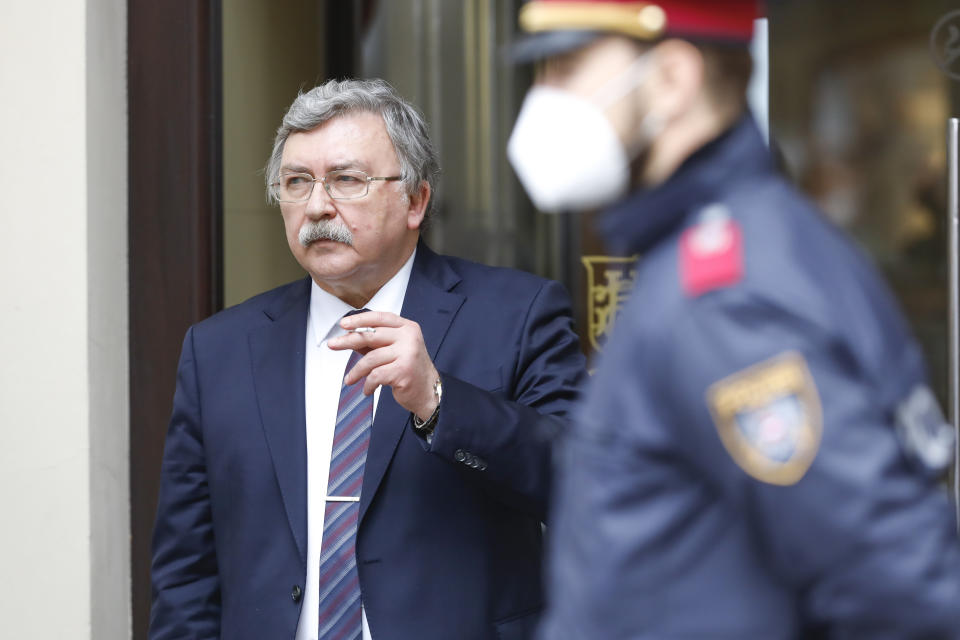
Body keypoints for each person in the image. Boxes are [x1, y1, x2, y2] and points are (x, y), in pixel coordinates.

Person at [506, 1, 960, 638]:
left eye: (569, 66)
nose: (544, 97)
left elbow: (896, 585)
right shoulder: (736, 244)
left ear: (671, 80)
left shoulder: (723, 295)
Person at [149, 78, 586, 640]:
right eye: (296, 183)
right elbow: (186, 569)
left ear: (416, 200)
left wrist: (437, 399)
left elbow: (583, 481)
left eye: (346, 180)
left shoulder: (517, 314)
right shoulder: (219, 350)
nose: (316, 206)